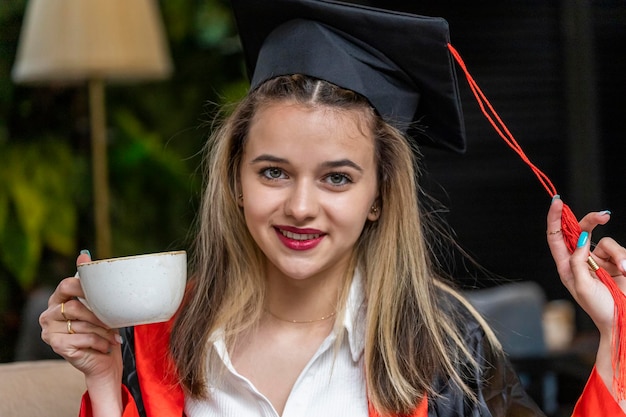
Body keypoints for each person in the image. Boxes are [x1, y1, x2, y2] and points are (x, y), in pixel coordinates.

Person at [39, 1, 626, 416]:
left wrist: (612, 333)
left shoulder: (444, 354)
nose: (300, 206)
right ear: (235, 180)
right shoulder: (158, 343)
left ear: (378, 197)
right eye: (273, 172)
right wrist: (106, 381)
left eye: (337, 179)